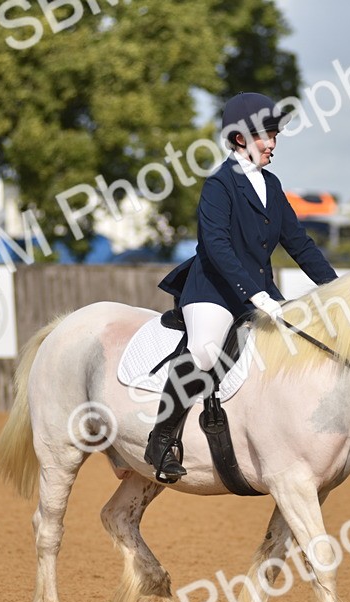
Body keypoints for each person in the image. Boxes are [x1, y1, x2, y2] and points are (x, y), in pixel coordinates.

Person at [145, 92, 339, 482]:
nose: (273, 142)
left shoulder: (271, 183)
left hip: (260, 292)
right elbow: (216, 247)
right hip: (215, 290)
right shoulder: (219, 185)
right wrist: (257, 294)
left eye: (274, 134)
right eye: (267, 134)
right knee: (203, 351)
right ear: (240, 140)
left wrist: (336, 289)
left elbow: (299, 243)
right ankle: (162, 438)